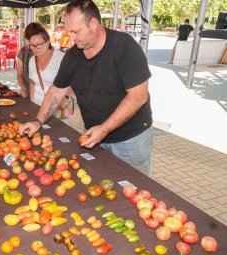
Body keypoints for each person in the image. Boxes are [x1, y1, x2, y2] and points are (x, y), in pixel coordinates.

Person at [20, 0, 153, 176]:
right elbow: (56, 92)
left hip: (130, 139)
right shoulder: (72, 56)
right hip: (93, 134)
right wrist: (38, 121)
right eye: (69, 32)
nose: (71, 38)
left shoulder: (125, 47)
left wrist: (104, 128)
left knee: (135, 186)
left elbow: (138, 96)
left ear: (93, 24)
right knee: (98, 181)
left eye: (75, 32)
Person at [27, 22, 65, 106]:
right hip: (37, 105)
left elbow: (71, 85)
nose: (35, 49)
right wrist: (32, 104)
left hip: (56, 107)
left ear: (47, 42)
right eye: (32, 45)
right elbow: (32, 83)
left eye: (39, 45)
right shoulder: (32, 60)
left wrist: (64, 100)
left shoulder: (61, 58)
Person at [16, 24, 35, 99]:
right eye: (28, 39)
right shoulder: (23, 51)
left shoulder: (42, 52)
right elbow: (19, 74)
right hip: (27, 93)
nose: (29, 42)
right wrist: (23, 87)